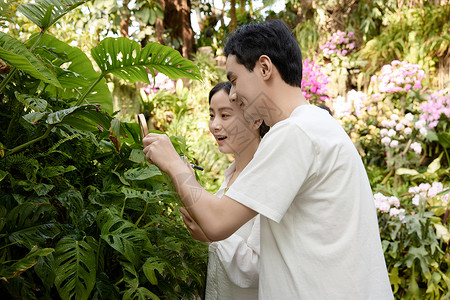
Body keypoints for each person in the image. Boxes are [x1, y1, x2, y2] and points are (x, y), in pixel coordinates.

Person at [143, 19, 393, 299]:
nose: (234, 94)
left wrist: (173, 163)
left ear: (264, 67)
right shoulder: (318, 125)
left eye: (235, 80)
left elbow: (216, 222)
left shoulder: (294, 132)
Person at [180, 81, 268, 299]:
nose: (214, 125)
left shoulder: (265, 180)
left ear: (256, 119)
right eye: (212, 115)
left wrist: (213, 235)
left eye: (225, 115)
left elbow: (259, 269)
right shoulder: (230, 176)